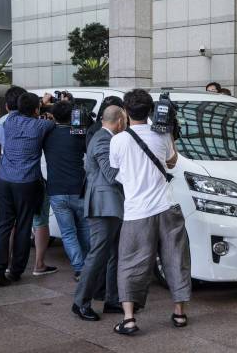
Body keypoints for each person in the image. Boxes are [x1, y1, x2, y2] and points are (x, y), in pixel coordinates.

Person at [110, 89, 191, 335]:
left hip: (137, 212)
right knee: (176, 258)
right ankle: (179, 314)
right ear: (150, 111)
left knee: (130, 263)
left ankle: (129, 319)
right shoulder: (163, 135)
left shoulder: (118, 140)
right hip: (167, 207)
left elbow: (117, 170)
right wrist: (170, 134)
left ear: (125, 111)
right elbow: (172, 162)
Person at [0, 93, 55, 286]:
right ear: (36, 110)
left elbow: (23, 110)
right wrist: (48, 106)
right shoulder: (41, 126)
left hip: (4, 179)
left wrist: (38, 104)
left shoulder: (10, 120)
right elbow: (53, 121)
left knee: (4, 223)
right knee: (24, 225)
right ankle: (16, 270)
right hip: (26, 181)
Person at [73, 105, 127, 321]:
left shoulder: (103, 137)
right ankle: (80, 302)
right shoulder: (104, 139)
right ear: (120, 122)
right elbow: (111, 174)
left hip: (111, 204)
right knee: (98, 254)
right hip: (104, 205)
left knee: (114, 254)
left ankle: (112, 299)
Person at [43, 101, 89, 280]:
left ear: (53, 116)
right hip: (79, 188)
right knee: (85, 229)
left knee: (68, 232)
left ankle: (79, 268)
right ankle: (90, 265)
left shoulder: (47, 134)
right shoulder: (79, 134)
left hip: (56, 190)